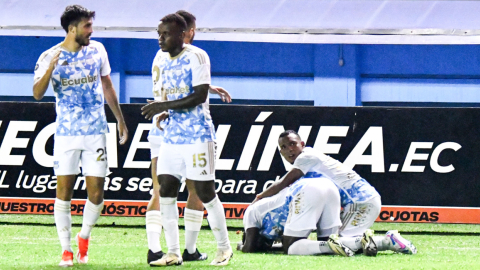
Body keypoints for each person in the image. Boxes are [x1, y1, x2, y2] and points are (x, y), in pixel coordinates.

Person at [32, 5, 128, 267]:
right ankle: (66, 250)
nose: (91, 30)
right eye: (87, 26)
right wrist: (50, 70)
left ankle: (84, 236)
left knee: (97, 194)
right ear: (72, 28)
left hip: (96, 132)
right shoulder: (49, 55)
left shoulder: (98, 50)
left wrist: (119, 119)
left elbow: (107, 84)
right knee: (63, 192)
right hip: (66, 134)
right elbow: (37, 93)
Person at [141, 13, 232, 266]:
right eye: (159, 34)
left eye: (166, 34)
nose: (160, 38)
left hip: (198, 136)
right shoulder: (160, 57)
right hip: (171, 136)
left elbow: (199, 96)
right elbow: (165, 91)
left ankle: (224, 248)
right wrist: (164, 111)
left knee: (205, 192)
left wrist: (164, 105)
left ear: (183, 35)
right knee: (166, 189)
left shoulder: (197, 56)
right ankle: (173, 252)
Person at [254, 130, 417, 256]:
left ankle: (387, 241)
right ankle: (385, 242)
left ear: (302, 144)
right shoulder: (309, 156)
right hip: (364, 199)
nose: (289, 150)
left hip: (360, 202)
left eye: (292, 144)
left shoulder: (305, 158)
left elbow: (283, 183)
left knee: (338, 244)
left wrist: (260, 197)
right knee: (332, 244)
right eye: (283, 147)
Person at [241, 176, 354, 257]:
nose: (266, 245)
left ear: (246, 234)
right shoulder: (270, 230)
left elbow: (249, 248)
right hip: (328, 186)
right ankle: (361, 241)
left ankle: (330, 246)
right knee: (327, 239)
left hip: (304, 190)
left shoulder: (250, 213)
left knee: (290, 246)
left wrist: (241, 246)